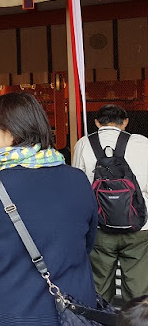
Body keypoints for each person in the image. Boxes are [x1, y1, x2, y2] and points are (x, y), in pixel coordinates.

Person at [0, 92, 98, 325]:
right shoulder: (78, 180)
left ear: (12, 133)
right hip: (71, 308)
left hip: (6, 308)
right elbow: (87, 242)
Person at [72, 104, 148, 303]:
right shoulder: (142, 143)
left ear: (97, 122)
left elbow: (78, 188)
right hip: (139, 227)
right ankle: (135, 319)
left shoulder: (83, 144)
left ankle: (98, 320)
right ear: (125, 122)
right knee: (138, 287)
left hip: (99, 226)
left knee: (99, 285)